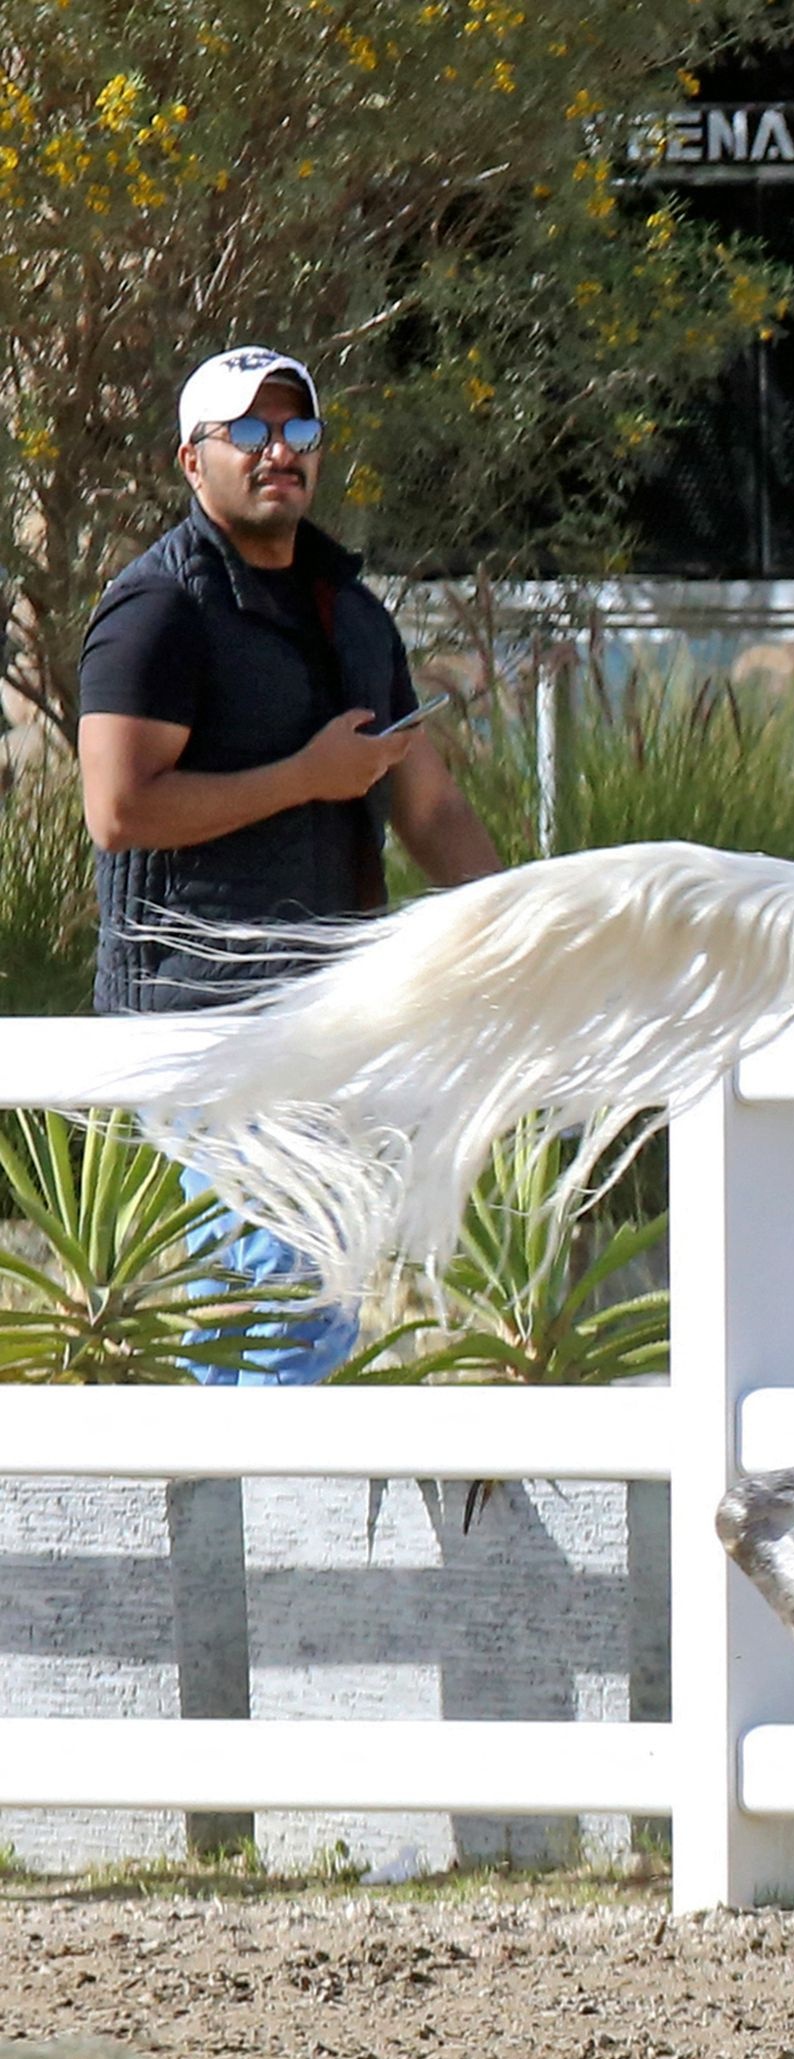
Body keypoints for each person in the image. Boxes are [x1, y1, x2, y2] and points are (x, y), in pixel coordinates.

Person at [76, 345, 501, 1381]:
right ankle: (273, 1529)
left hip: (324, 1013)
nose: (280, 453)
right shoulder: (157, 611)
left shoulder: (350, 613)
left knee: (281, 1312)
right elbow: (119, 809)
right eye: (250, 433)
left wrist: (527, 931)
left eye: (298, 431)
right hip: (203, 1020)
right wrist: (308, 776)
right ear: (192, 461)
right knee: (286, 1302)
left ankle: (241, 1531)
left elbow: (429, 805)